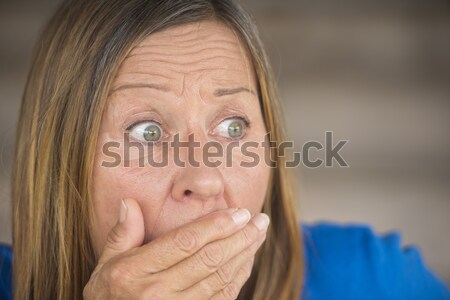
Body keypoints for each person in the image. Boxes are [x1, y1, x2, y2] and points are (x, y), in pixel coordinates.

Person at [0, 0, 449, 299]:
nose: (207, 177)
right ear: (61, 163)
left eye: (233, 126)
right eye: (147, 133)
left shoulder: (371, 279)